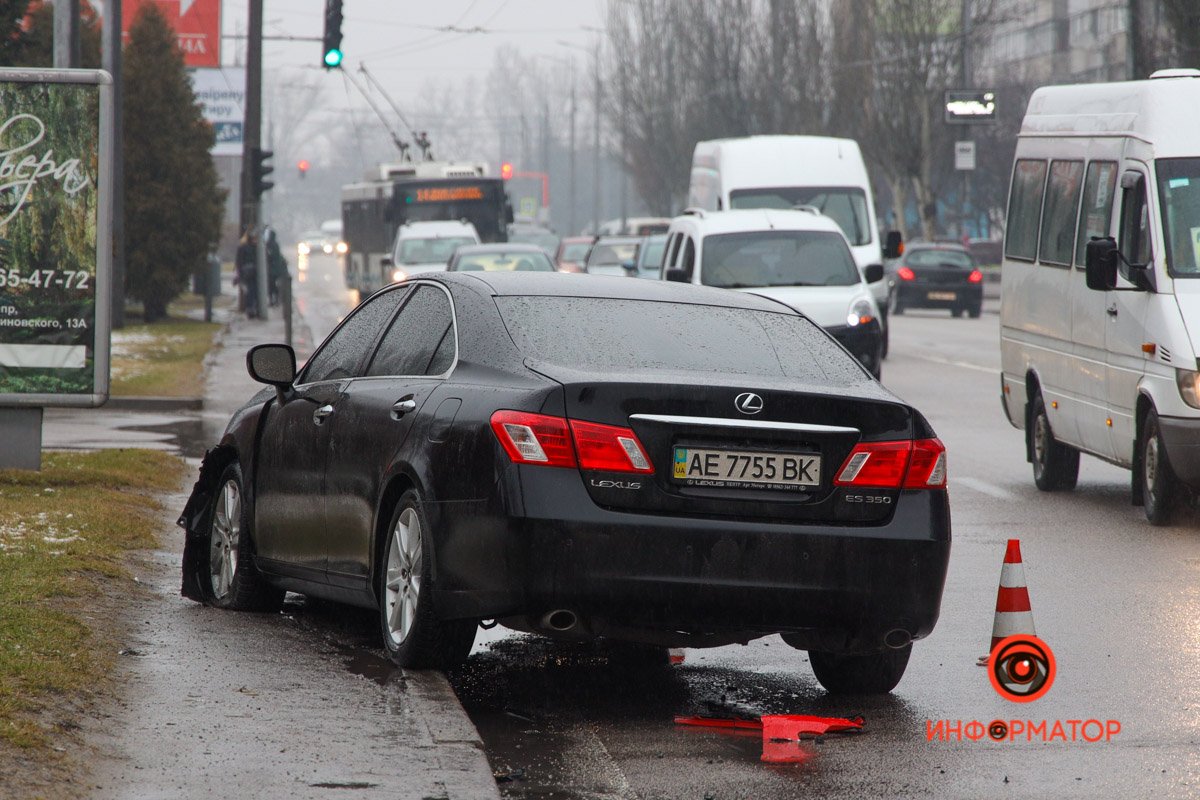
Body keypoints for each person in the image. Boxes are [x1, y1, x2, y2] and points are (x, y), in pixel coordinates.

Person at [235, 228, 259, 318]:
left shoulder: (243, 247)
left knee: (251, 291)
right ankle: (251, 309)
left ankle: (251, 308)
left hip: (248, 273)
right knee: (252, 291)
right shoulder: (254, 248)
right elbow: (240, 261)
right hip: (250, 274)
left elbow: (239, 262)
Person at [266, 229, 288, 306]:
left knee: (271, 285)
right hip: (275, 269)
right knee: (275, 285)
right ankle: (275, 299)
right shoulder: (275, 244)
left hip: (271, 269)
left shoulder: (269, 244)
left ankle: (273, 300)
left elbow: (270, 256)